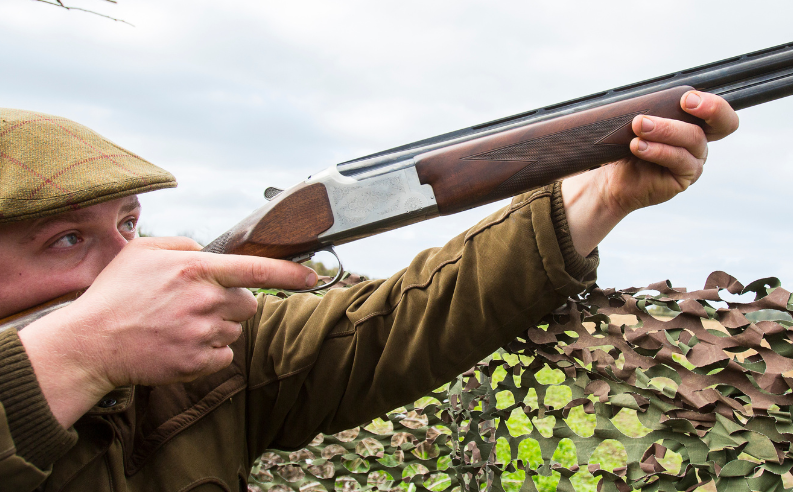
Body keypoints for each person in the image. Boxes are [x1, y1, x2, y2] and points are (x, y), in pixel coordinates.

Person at [0, 93, 738, 491]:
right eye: (68, 239)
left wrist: (596, 197)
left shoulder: (198, 351)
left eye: (132, 223)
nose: (132, 263)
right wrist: (74, 356)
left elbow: (395, 326)